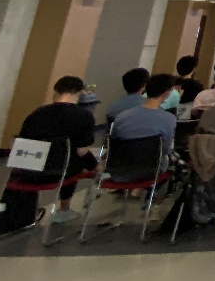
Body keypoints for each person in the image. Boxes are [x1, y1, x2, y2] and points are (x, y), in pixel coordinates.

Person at [15, 75, 98, 224]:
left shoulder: (37, 114)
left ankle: (27, 209)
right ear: (79, 93)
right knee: (76, 155)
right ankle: (64, 209)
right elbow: (81, 152)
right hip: (63, 172)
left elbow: (22, 144)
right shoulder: (84, 116)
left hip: (31, 171)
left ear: (56, 91)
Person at [108, 73, 178, 171]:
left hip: (121, 169)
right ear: (166, 94)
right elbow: (166, 149)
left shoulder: (122, 116)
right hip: (152, 170)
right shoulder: (169, 119)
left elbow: (113, 143)